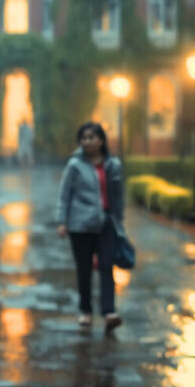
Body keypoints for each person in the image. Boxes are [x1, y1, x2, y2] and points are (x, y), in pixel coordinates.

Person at [55, 122, 125, 334]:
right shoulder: (75, 165)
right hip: (80, 224)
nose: (87, 142)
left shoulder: (113, 165)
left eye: (91, 137)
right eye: (83, 138)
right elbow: (64, 194)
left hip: (106, 223)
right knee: (84, 269)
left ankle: (109, 312)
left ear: (101, 140)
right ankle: (85, 311)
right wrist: (62, 221)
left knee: (106, 266)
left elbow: (118, 196)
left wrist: (120, 222)